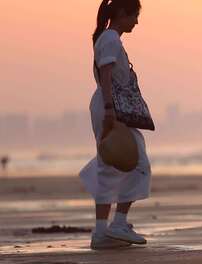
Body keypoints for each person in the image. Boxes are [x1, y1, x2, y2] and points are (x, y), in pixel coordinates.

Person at [79, 0, 151, 250]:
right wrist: (110, 109)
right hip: (112, 108)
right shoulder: (110, 38)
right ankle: (118, 223)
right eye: (134, 16)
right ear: (122, 13)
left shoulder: (107, 38)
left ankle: (102, 233)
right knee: (136, 163)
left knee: (109, 166)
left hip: (108, 106)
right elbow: (107, 74)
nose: (136, 21)